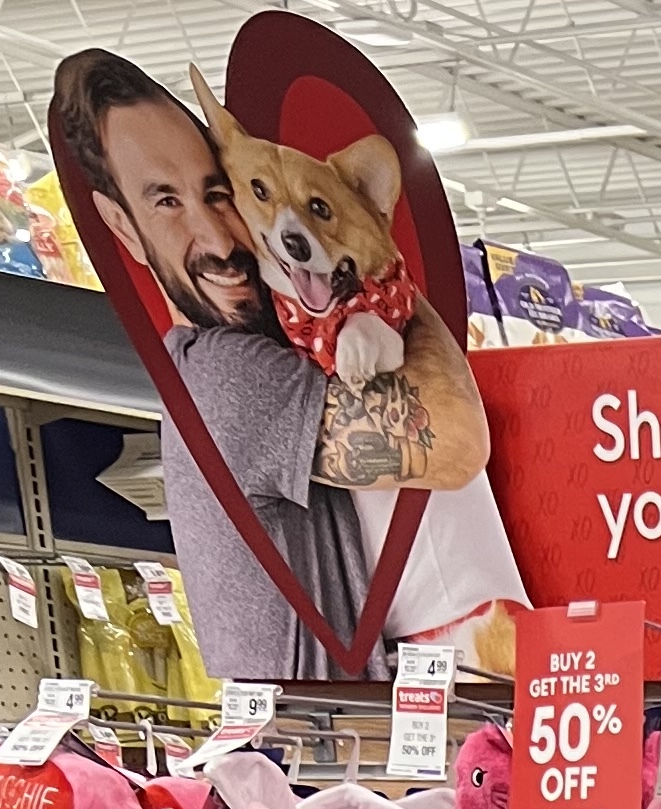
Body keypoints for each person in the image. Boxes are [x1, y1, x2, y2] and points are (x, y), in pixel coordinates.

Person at [49, 52, 487, 685]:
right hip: (320, 756)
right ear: (121, 225)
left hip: (320, 750)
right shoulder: (231, 374)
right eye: (166, 202)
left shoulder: (243, 358)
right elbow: (454, 438)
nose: (221, 239)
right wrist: (380, 270)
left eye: (219, 194)